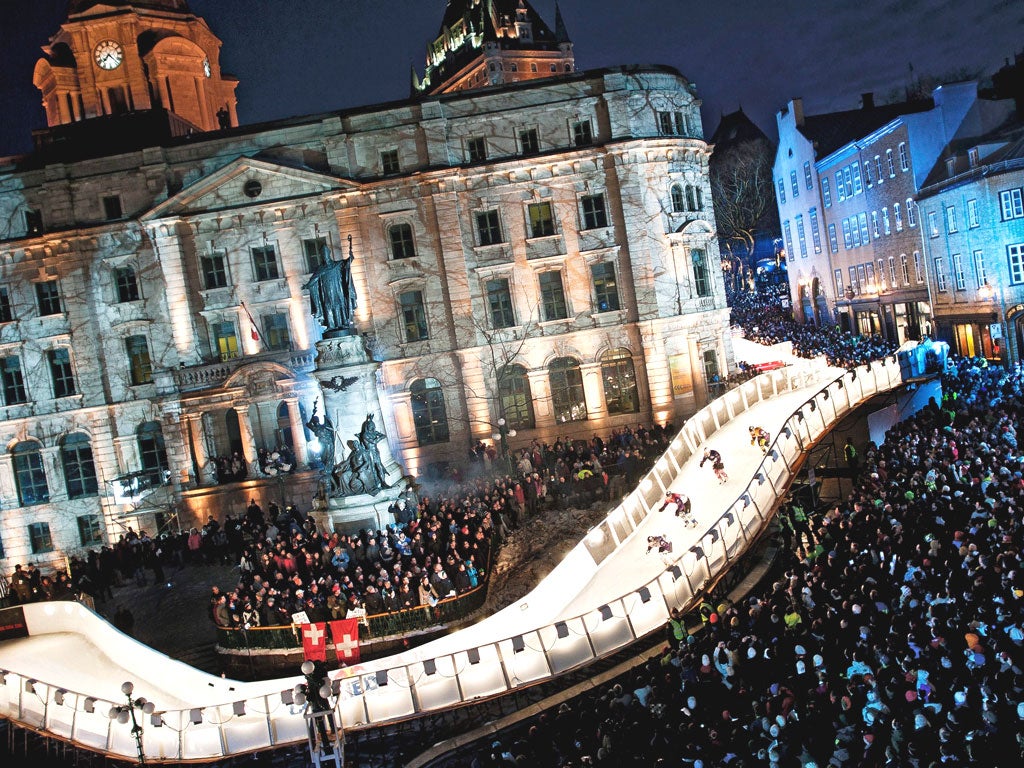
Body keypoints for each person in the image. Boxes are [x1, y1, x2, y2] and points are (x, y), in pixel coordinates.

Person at [306, 401, 338, 492]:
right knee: (323, 458)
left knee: (328, 458)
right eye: (314, 421)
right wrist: (313, 414)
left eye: (316, 421)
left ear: (318, 421)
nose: (315, 423)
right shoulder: (316, 428)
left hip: (328, 444)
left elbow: (332, 430)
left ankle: (329, 469)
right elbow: (308, 424)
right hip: (322, 445)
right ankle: (327, 468)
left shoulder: (324, 426)